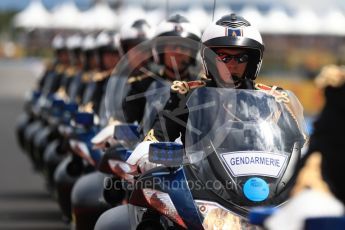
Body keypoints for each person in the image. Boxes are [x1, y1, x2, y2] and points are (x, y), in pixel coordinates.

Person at [127, 13, 306, 172]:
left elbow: (299, 146)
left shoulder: (272, 100)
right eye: (224, 58)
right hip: (203, 188)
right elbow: (158, 137)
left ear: (251, 62)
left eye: (241, 58)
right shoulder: (186, 95)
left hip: (261, 186)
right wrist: (149, 152)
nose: (232, 64)